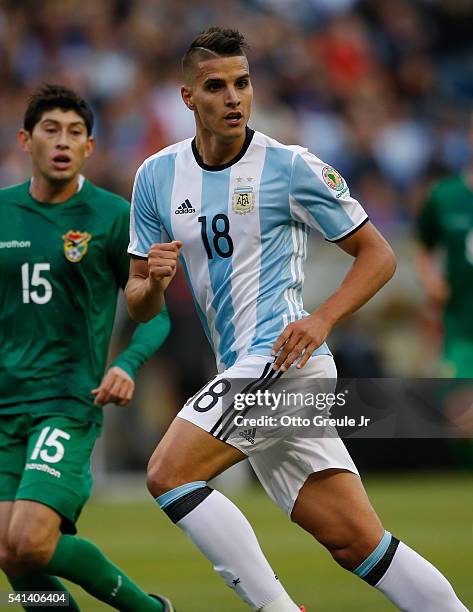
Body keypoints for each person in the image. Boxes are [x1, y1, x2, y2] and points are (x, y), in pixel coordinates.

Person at [126, 27, 468, 612]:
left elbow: (379, 255)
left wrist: (324, 318)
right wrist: (152, 282)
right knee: (358, 543)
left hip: (287, 362)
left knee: (167, 472)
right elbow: (140, 302)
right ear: (188, 98)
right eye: (216, 87)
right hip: (243, 370)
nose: (234, 98)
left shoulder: (290, 166)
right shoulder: (155, 177)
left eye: (243, 83)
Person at [0, 84, 175, 612]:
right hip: (5, 406)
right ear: (25, 140)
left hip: (67, 402)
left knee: (31, 540)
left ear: (89, 148)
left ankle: (150, 611)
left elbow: (153, 317)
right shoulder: (3, 212)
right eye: (51, 130)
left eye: (75, 133)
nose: (63, 141)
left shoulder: (110, 216)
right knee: (11, 555)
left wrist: (125, 363)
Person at [416, 114, 473, 466]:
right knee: (462, 416)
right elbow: (422, 243)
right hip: (461, 323)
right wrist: (431, 280)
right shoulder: (445, 196)